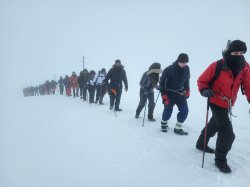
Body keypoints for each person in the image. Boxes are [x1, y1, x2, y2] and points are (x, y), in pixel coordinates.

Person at [195, 40, 250, 173]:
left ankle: (200, 144)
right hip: (216, 101)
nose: (239, 55)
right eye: (236, 52)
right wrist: (204, 90)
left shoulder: (245, 67)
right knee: (228, 134)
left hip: (229, 103)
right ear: (229, 52)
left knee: (214, 124)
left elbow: (248, 86)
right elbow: (202, 80)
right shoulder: (217, 65)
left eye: (242, 52)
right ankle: (220, 160)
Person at [160, 53, 190, 135]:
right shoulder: (169, 70)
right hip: (169, 94)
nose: (184, 64)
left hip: (181, 94)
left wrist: (187, 90)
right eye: (183, 62)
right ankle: (164, 123)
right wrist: (164, 96)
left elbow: (186, 80)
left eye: (186, 62)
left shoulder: (186, 69)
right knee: (168, 110)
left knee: (185, 110)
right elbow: (162, 84)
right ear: (178, 61)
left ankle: (178, 127)